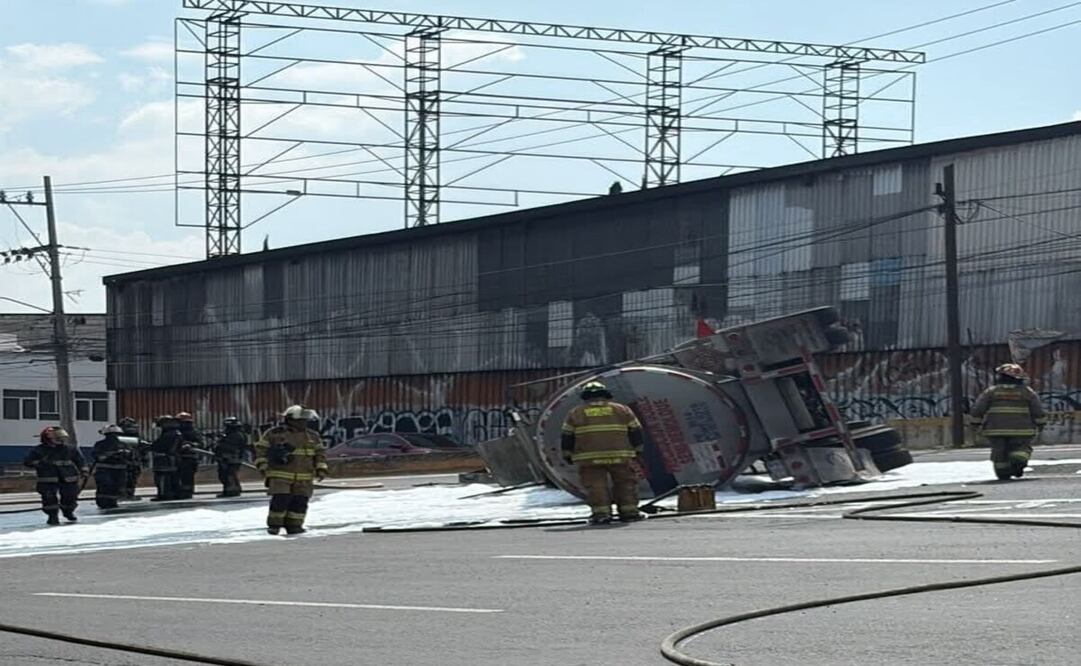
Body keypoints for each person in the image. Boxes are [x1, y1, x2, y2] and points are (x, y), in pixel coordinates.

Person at [560, 381, 646, 525]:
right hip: (620, 455)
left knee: (596, 486)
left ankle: (601, 514)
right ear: (606, 395)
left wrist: (567, 453)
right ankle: (629, 512)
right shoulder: (622, 410)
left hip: (589, 458)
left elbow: (567, 435)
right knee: (625, 483)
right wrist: (638, 450)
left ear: (585, 397)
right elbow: (636, 431)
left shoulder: (576, 413)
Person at [254, 405, 328, 535]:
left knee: (300, 502)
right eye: (301, 420)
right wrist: (263, 465)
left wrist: (321, 469)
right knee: (280, 501)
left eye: (305, 420)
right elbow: (261, 450)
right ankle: (274, 526)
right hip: (280, 475)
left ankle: (295, 526)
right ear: (290, 420)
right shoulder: (275, 433)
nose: (304, 423)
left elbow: (320, 454)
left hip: (304, 477)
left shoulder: (312, 436)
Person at [969, 363, 1046, 480]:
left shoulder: (992, 391)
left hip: (995, 430)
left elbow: (978, 408)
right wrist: (1040, 423)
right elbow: (1037, 410)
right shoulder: (1027, 392)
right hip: (1022, 430)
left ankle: (1002, 473)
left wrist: (975, 423)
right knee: (1021, 449)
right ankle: (1018, 463)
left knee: (999, 453)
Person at [23, 427, 87, 525]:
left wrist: (84, 471)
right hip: (48, 479)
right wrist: (40, 462)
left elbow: (80, 460)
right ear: (47, 439)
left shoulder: (70, 449)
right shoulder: (38, 450)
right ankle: (52, 516)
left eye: (61, 438)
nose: (60, 441)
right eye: (57, 438)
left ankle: (68, 511)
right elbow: (27, 462)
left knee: (70, 496)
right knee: (49, 499)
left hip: (68, 478)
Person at [92, 425, 129, 509]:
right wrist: (109, 455)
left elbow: (131, 456)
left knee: (116, 487)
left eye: (116, 434)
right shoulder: (100, 444)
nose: (114, 437)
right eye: (111, 435)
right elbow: (96, 456)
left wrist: (125, 454)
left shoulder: (124, 445)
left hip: (119, 471)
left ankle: (112, 502)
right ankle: (102, 502)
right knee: (105, 486)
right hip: (104, 470)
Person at [213, 416, 250, 498]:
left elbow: (229, 447)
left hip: (231, 458)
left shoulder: (236, 435)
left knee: (229, 475)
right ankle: (230, 490)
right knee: (226, 474)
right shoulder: (232, 434)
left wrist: (220, 444)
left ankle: (232, 491)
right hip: (228, 458)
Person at [150, 415, 183, 501]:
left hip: (164, 460)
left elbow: (158, 446)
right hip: (173, 459)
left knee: (163, 478)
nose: (160, 427)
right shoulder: (176, 433)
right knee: (174, 477)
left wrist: (148, 446)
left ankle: (164, 494)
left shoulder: (169, 434)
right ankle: (176, 493)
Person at [118, 417, 151, 500]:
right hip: (122, 464)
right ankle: (123, 494)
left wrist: (145, 461)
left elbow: (144, 451)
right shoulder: (117, 439)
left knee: (132, 480)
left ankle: (129, 494)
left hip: (134, 463)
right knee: (123, 480)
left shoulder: (138, 439)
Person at [176, 412, 203, 500]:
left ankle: (187, 493)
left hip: (189, 458)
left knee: (187, 477)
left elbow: (200, 444)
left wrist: (189, 444)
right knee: (179, 476)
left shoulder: (193, 432)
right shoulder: (178, 432)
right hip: (179, 458)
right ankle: (180, 492)